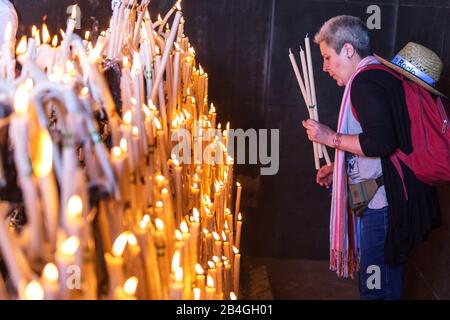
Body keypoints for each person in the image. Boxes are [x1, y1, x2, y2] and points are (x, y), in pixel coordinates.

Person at [302, 15, 442, 300]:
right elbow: (385, 141)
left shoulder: (365, 82)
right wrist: (341, 166)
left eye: (328, 57)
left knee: (377, 291)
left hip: (383, 207)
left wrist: (330, 138)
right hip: (391, 199)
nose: (325, 67)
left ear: (349, 50)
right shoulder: (381, 75)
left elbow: (381, 142)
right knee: (378, 285)